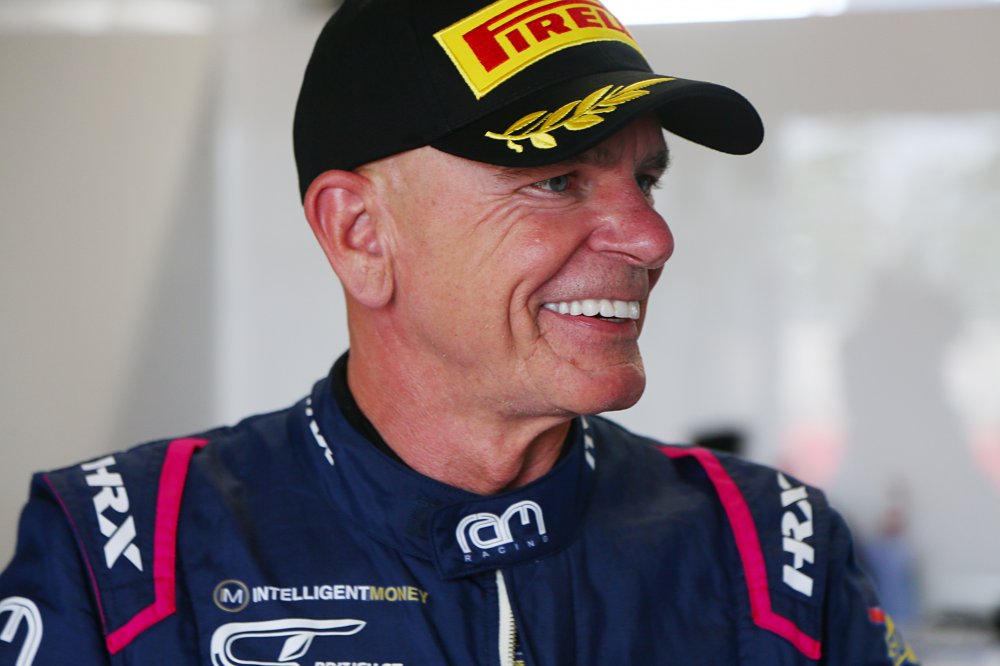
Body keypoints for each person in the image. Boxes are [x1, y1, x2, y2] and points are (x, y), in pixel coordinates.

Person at [0, 0, 918, 664]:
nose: (651, 238)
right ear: (361, 234)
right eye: (557, 179)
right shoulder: (120, 553)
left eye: (647, 180)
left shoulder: (775, 548)